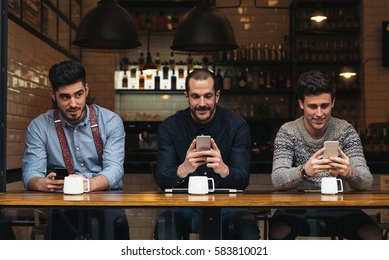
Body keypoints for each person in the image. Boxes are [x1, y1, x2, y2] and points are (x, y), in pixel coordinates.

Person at [21, 60, 129, 239]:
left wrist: (86, 184)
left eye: (78, 94)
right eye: (65, 97)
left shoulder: (110, 121)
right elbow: (30, 173)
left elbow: (115, 169)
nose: (73, 103)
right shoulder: (39, 126)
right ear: (53, 95)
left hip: (108, 207)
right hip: (62, 209)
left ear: (86, 90)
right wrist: (42, 183)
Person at [270, 70, 382, 240]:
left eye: (325, 106)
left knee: (372, 234)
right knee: (278, 231)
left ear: (333, 102)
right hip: (296, 207)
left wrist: (350, 172)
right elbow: (277, 179)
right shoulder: (288, 131)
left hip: (339, 207)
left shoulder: (345, 130)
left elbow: (367, 181)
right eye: (312, 106)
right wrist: (304, 171)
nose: (319, 113)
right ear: (301, 103)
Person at [154, 68, 260, 240]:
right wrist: (183, 169)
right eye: (195, 96)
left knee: (247, 225)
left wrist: (223, 169)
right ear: (187, 97)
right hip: (183, 205)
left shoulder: (236, 126)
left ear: (217, 96)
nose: (202, 103)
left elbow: (242, 181)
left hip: (227, 205)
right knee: (165, 223)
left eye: (208, 96)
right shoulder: (170, 127)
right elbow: (162, 179)